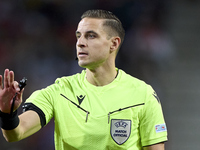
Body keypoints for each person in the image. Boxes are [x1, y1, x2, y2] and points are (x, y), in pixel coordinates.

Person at [0, 9, 167, 150]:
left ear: (114, 44)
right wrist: (7, 113)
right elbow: (17, 132)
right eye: (79, 36)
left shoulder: (143, 95)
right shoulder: (60, 91)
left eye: (91, 36)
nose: (80, 43)